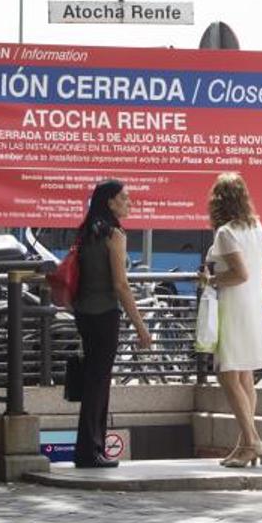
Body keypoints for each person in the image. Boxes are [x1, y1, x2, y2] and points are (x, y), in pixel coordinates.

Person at [72, 179, 152, 469]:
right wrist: (141, 326)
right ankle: (91, 451)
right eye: (125, 198)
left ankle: (90, 449)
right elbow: (121, 285)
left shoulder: (85, 232)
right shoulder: (114, 235)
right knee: (99, 383)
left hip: (83, 312)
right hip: (105, 313)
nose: (130, 203)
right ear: (110, 202)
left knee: (93, 381)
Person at [199, 173, 262, 468]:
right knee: (245, 376)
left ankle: (253, 441)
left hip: (234, 307)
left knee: (228, 374)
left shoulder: (226, 233)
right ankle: (245, 445)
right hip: (255, 305)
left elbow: (239, 273)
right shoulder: (257, 227)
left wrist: (210, 278)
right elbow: (261, 274)